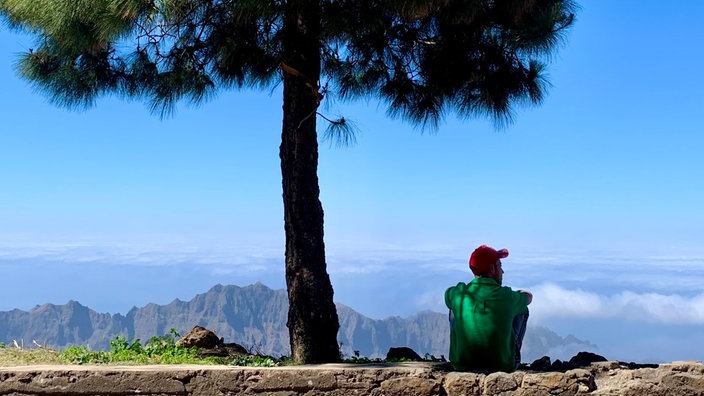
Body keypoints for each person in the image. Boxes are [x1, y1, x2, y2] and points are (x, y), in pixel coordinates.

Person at [444, 244, 532, 372]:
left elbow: (447, 293)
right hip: (503, 366)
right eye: (500, 266)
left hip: (461, 365)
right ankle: (511, 355)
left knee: (454, 306)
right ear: (492, 269)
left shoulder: (459, 293)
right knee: (522, 309)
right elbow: (528, 298)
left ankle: (460, 354)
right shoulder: (507, 296)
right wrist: (518, 293)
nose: (502, 271)